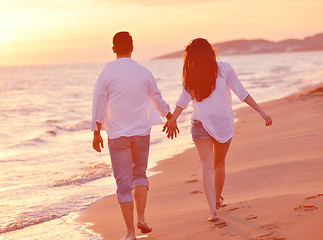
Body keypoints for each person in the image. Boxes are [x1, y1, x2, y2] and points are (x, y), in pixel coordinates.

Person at [163, 38, 272, 222]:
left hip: (202, 124)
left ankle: (213, 210)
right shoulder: (224, 68)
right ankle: (216, 201)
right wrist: (262, 113)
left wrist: (173, 118)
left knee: (207, 165)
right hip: (219, 123)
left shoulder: (192, 74)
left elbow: (183, 100)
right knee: (218, 164)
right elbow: (242, 93)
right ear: (210, 52)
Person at [91, 31, 172, 240]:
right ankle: (142, 218)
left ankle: (130, 233)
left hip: (118, 134)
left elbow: (98, 102)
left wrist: (96, 131)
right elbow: (157, 97)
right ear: (133, 47)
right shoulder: (143, 71)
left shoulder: (106, 73)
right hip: (141, 132)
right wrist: (169, 116)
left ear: (113, 49)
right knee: (140, 174)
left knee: (123, 183)